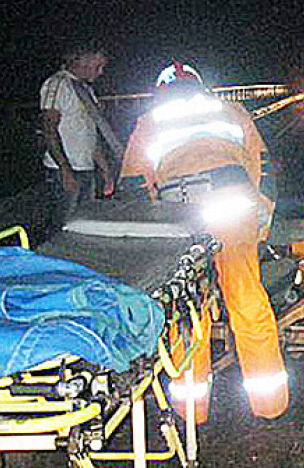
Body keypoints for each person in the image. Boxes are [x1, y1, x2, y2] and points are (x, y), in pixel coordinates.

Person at [117, 60, 288, 423]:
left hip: (182, 220)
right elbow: (263, 168)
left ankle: (192, 410)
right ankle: (270, 405)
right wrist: (262, 220)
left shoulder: (150, 123)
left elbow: (134, 184)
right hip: (234, 213)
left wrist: (150, 236)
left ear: (161, 90)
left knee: (186, 309)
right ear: (199, 85)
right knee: (247, 299)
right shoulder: (231, 110)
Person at [39, 43, 120, 228]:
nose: (101, 72)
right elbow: (49, 129)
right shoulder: (58, 84)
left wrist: (106, 170)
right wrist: (65, 170)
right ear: (82, 61)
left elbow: (90, 134)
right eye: (98, 66)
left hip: (86, 170)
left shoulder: (86, 90)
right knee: (63, 225)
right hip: (65, 170)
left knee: (84, 224)